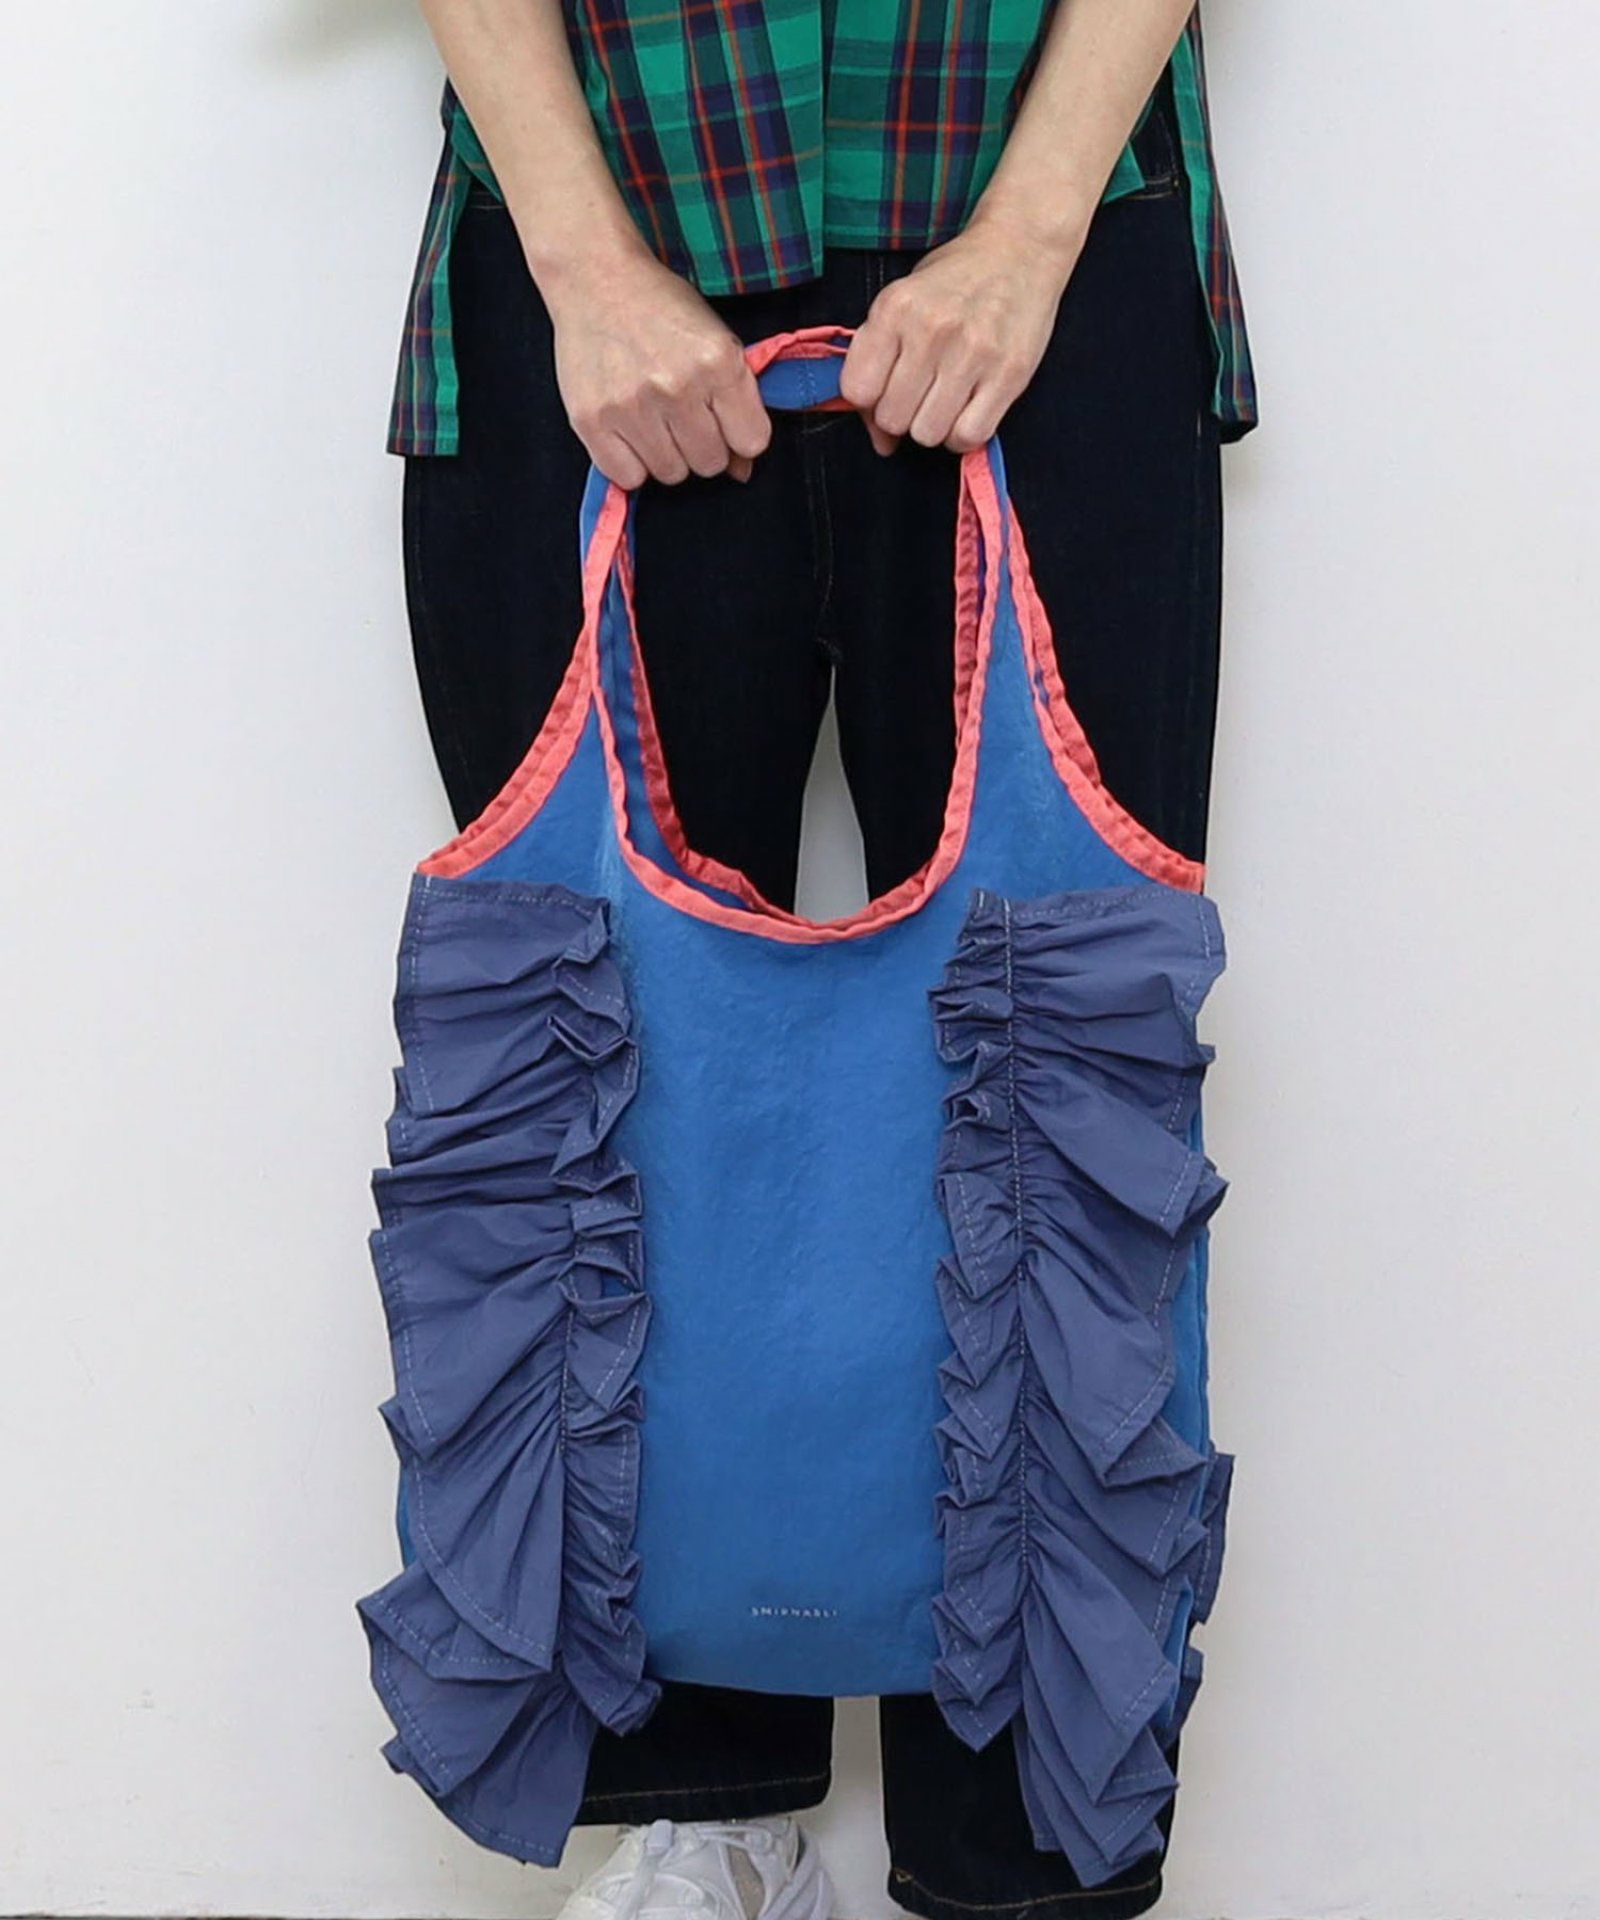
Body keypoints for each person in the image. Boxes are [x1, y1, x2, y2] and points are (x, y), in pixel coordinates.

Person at [385, 3, 1254, 1918]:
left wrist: (1029, 235)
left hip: (1052, 210)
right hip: (599, 213)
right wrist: (582, 262)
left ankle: (1025, 1869)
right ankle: (691, 1818)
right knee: (593, 1067)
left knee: (1060, 1078)